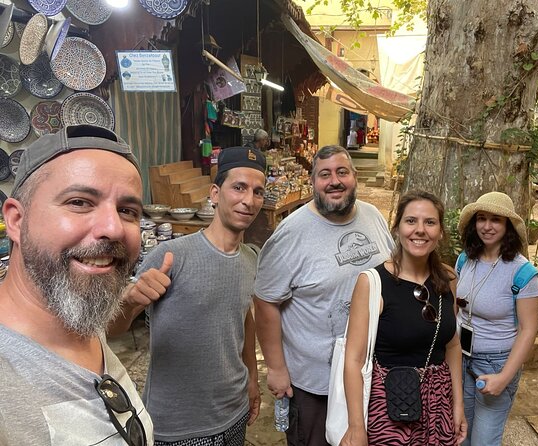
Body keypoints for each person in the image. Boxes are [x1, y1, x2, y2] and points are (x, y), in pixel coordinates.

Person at [0, 125, 154, 444]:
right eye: (79, 202)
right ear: (16, 220)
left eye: (127, 211)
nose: (113, 228)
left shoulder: (75, 310)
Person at [108, 146, 266, 445]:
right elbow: (112, 330)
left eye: (258, 192)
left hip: (234, 413)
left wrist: (253, 379)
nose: (249, 200)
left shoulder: (250, 259)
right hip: (178, 425)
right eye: (239, 188)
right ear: (216, 194)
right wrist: (129, 301)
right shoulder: (171, 256)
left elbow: (244, 319)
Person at [254, 145, 394, 446]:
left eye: (342, 172)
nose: (334, 181)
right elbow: (265, 301)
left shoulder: (373, 217)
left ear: (354, 177)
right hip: (315, 381)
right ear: (313, 181)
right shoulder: (291, 233)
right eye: (324, 174)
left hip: (372, 371)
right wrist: (276, 368)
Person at [341, 190, 467, 445]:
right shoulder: (373, 283)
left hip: (439, 402)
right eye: (411, 221)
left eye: (429, 222)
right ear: (396, 228)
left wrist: (458, 404)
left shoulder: (448, 279)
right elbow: (353, 359)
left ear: (440, 231)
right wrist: (356, 426)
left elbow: (452, 344)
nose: (420, 230)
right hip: (389, 404)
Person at [455, 192, 538, 446]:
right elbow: (458, 308)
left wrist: (504, 377)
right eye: (481, 218)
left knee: (484, 441)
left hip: (496, 363)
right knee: (461, 436)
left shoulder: (522, 272)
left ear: (508, 227)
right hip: (462, 358)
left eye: (496, 220)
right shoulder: (465, 259)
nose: (487, 226)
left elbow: (529, 329)